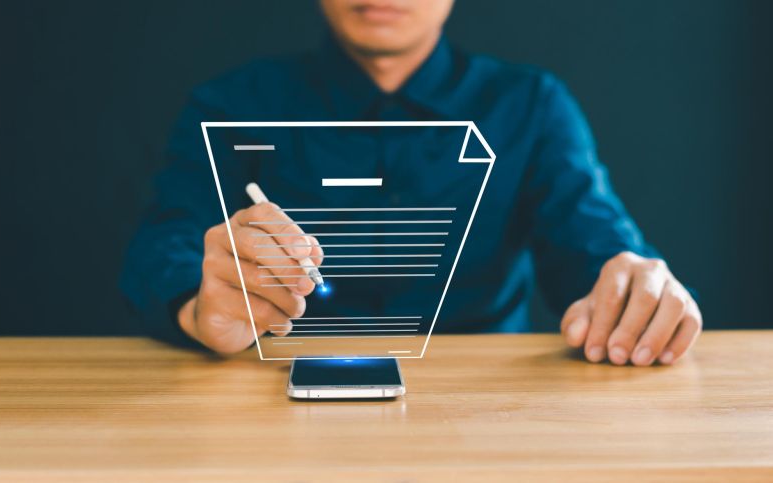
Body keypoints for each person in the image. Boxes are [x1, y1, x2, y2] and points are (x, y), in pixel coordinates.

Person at [122, 0, 702, 366]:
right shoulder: (232, 104)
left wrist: (634, 289)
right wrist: (202, 310)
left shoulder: (530, 104)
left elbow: (594, 245)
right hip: (270, 400)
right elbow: (164, 244)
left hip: (485, 410)